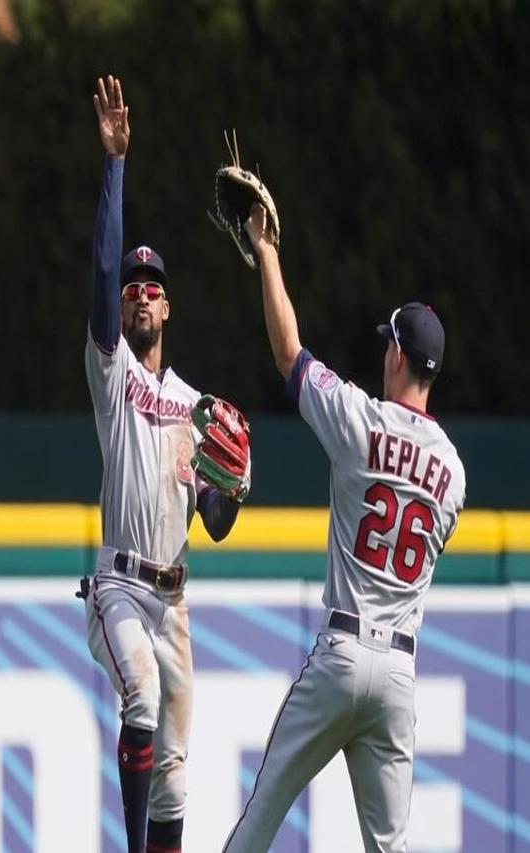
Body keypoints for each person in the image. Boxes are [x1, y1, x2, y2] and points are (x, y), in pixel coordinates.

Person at [221, 201, 466, 852]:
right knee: (390, 847)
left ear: (395, 356)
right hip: (398, 674)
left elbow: (287, 353)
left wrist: (266, 254)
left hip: (343, 650)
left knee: (261, 813)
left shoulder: (358, 421)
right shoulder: (454, 472)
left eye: (387, 341)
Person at [82, 75, 247, 853]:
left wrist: (234, 487)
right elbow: (98, 271)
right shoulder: (111, 373)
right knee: (138, 698)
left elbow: (213, 524)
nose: (140, 293)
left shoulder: (195, 404)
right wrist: (115, 165)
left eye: (153, 288)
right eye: (131, 288)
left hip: (175, 599)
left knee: (178, 777)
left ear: (169, 307)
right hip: (116, 583)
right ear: (120, 309)